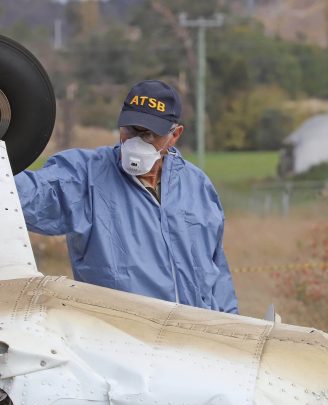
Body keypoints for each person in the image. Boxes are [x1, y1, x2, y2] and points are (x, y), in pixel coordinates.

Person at [15, 79, 238, 313]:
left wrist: (234, 329)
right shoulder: (86, 177)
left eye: (149, 134)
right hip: (120, 341)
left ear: (174, 135)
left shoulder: (197, 186)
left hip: (194, 339)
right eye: (130, 130)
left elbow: (217, 271)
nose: (135, 142)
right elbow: (27, 193)